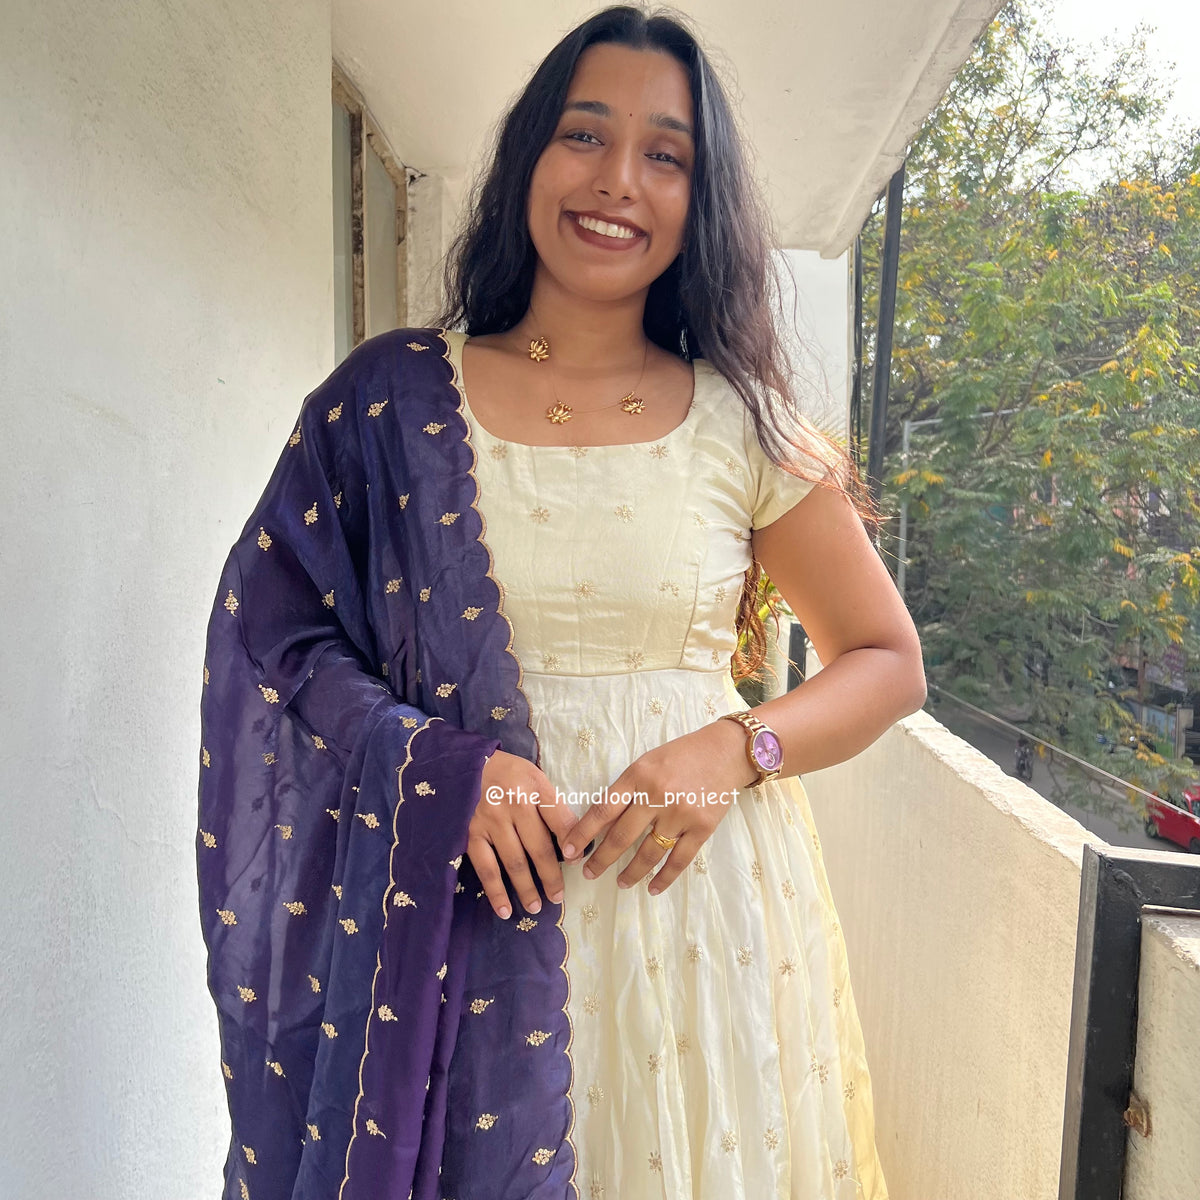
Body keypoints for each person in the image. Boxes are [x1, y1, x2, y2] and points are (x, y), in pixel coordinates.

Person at [197, 7, 926, 1199]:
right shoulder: (387, 401)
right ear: (530, 156)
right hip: (458, 914)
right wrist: (438, 769)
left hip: (695, 922)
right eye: (584, 135)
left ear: (700, 197)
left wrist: (732, 749)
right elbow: (274, 631)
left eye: (664, 154)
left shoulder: (742, 421)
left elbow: (887, 660)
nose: (617, 181)